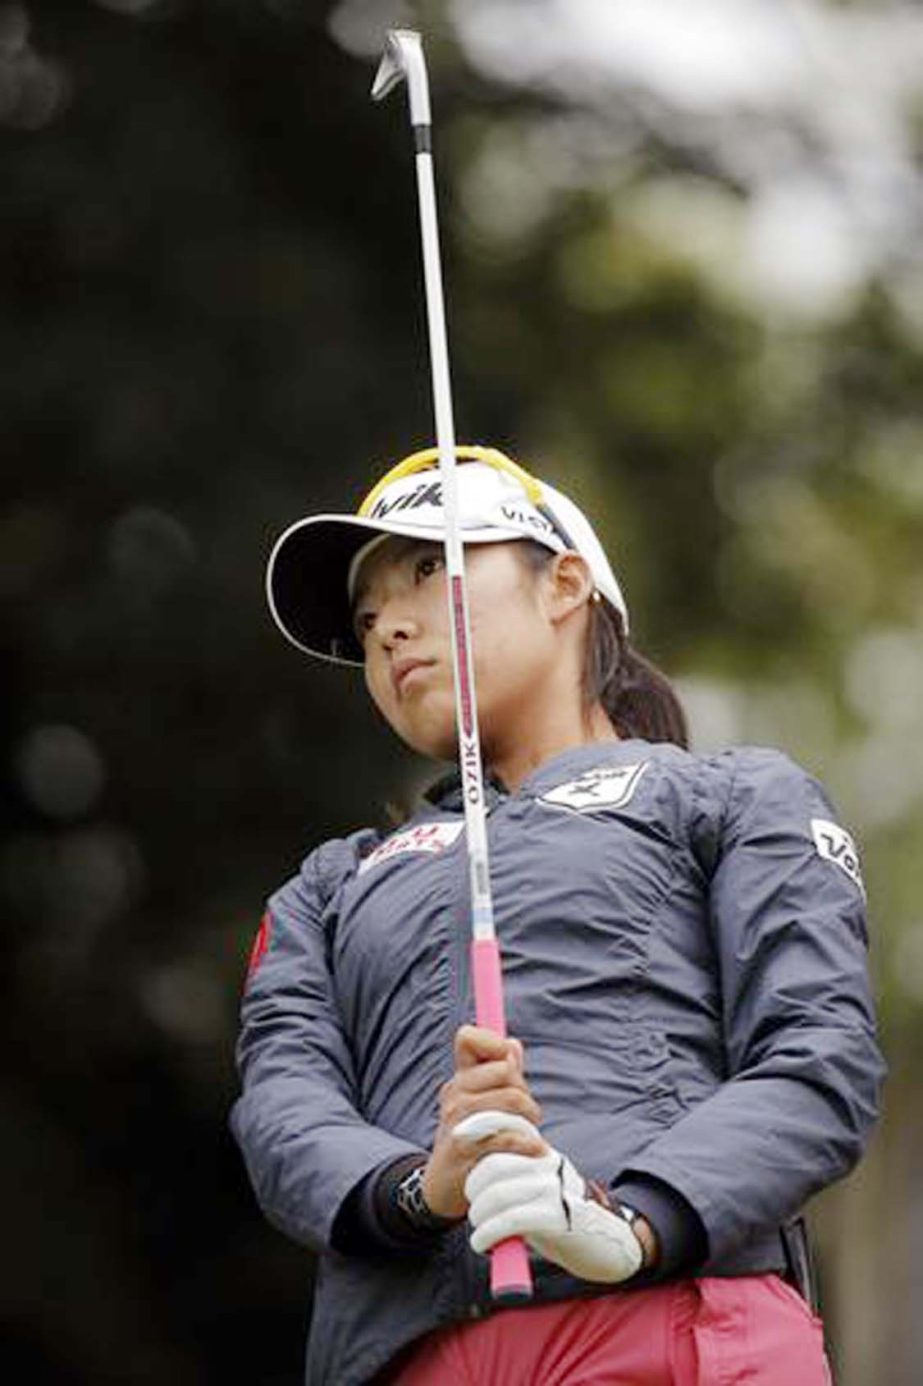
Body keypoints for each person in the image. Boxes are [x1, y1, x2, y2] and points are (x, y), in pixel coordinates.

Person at [231, 445, 885, 1386]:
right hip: (403, 1355)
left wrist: (629, 1222)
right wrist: (421, 1188)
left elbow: (817, 1061)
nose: (388, 630)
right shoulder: (328, 886)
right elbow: (283, 1111)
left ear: (564, 584)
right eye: (367, 617)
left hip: (673, 1320)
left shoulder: (731, 798)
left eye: (429, 569)